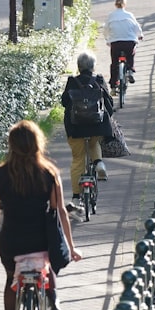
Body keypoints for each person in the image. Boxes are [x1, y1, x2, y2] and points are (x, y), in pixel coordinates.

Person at [0, 120, 80, 310]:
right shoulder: (48, 173)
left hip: (11, 241)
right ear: (38, 143)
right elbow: (59, 212)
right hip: (41, 239)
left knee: (11, 281)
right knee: (46, 269)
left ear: (11, 145)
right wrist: (71, 245)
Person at [61, 52, 113, 205]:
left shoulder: (72, 81)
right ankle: (98, 163)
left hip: (75, 127)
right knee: (94, 143)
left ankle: (76, 198)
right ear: (93, 66)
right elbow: (108, 102)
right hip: (97, 125)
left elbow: (64, 102)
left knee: (78, 160)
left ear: (78, 66)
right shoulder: (98, 80)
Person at [103, 0, 143, 92]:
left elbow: (106, 29)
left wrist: (107, 40)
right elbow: (136, 27)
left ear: (115, 5)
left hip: (115, 43)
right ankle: (129, 70)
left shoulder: (111, 16)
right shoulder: (129, 15)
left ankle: (113, 85)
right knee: (131, 54)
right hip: (129, 41)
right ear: (124, 5)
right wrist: (140, 35)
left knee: (114, 63)